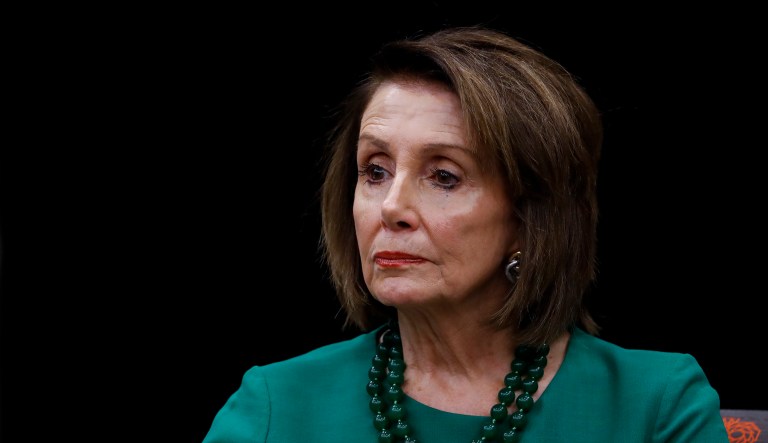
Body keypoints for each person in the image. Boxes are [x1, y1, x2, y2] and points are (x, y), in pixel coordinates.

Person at [203, 26, 728, 442]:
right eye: (375, 170)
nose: (392, 208)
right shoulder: (275, 405)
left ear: (530, 214)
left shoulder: (656, 406)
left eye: (444, 176)